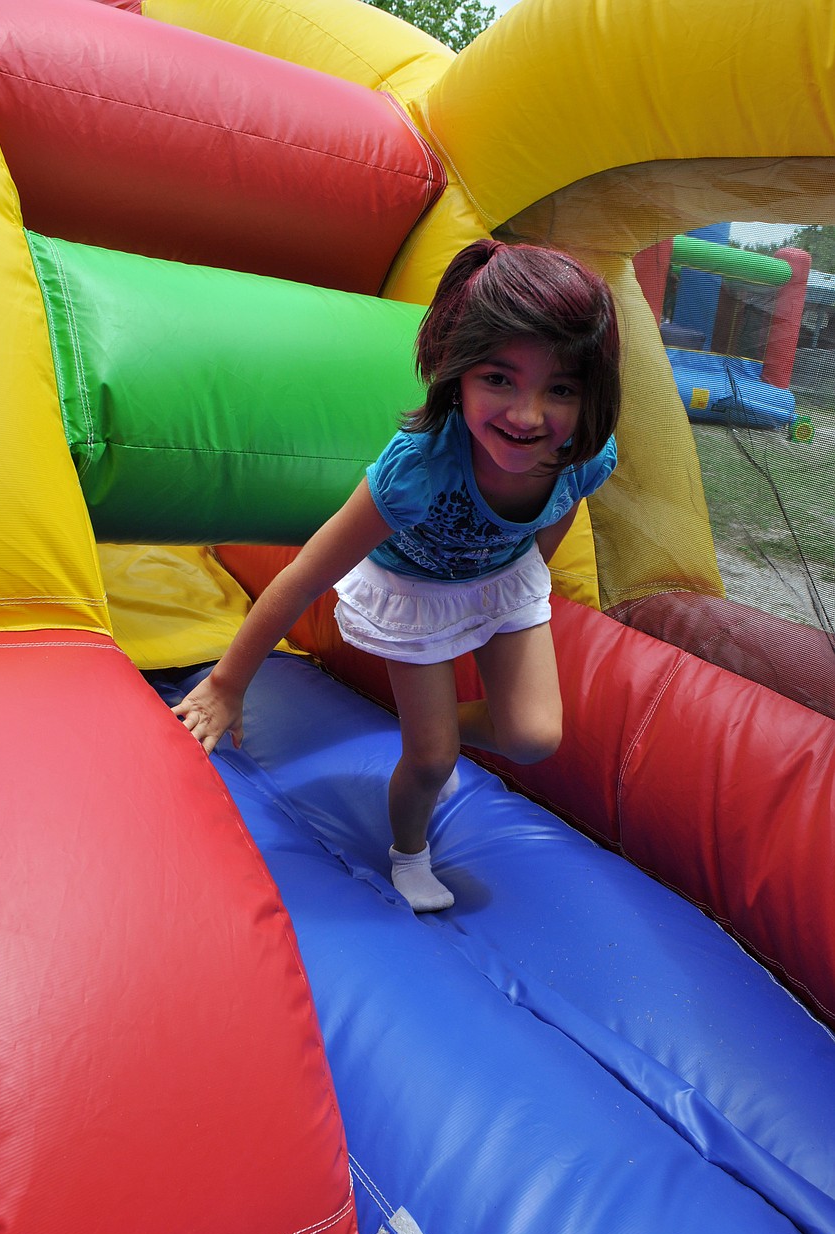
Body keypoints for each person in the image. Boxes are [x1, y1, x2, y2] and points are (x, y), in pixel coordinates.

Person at [172, 239, 621, 912]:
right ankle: (409, 849)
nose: (528, 416)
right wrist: (227, 684)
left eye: (559, 389)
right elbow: (304, 575)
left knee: (534, 737)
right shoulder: (419, 471)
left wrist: (520, 584)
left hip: (504, 576)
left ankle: (433, 726)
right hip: (413, 589)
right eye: (499, 380)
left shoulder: (584, 455)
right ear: (455, 373)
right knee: (432, 760)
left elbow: (553, 514)